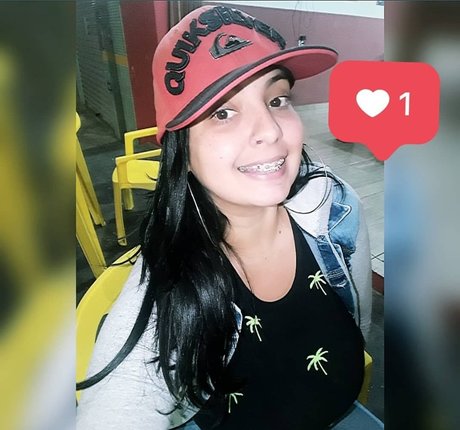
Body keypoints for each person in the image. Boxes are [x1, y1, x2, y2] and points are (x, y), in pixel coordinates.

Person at [77, 5, 382, 429]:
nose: (270, 131)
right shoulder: (169, 285)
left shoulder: (334, 205)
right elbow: (120, 403)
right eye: (222, 112)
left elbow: (358, 321)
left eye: (277, 100)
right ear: (181, 149)